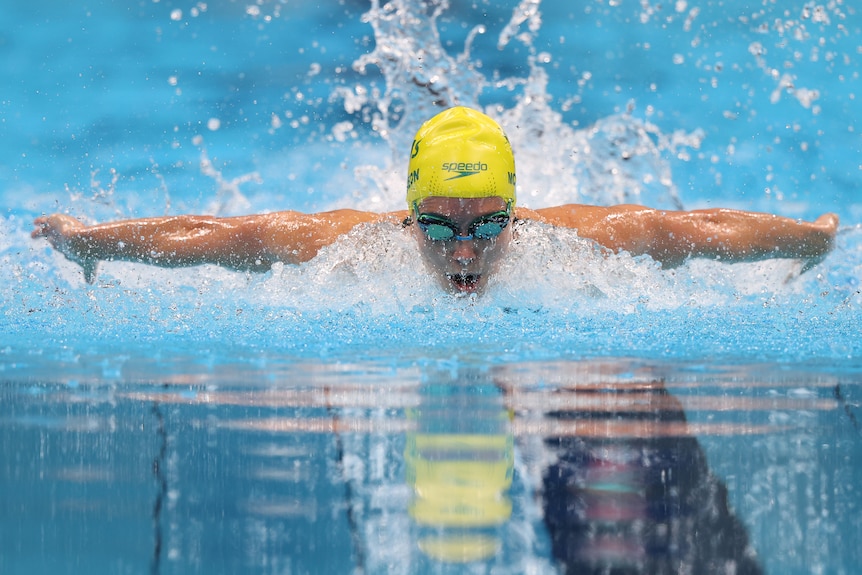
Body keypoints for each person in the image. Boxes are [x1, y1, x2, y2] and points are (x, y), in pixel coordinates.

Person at [32, 106, 839, 294]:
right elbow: (214, 232)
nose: (463, 251)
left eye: (490, 223)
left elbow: (699, 228)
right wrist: (93, 240)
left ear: (517, 213)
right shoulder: (345, 246)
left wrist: (811, 239)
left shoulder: (583, 240)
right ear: (405, 213)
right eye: (439, 225)